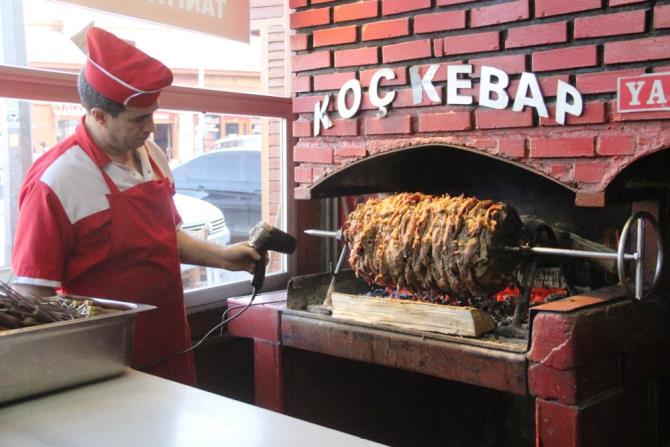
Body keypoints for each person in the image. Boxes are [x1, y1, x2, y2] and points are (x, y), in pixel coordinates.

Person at [11, 27, 261, 386]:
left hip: (170, 344)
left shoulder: (152, 155)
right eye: (138, 119)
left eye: (153, 114)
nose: (152, 128)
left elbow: (164, 238)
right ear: (99, 116)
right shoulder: (57, 180)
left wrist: (223, 257)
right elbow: (33, 293)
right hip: (99, 365)